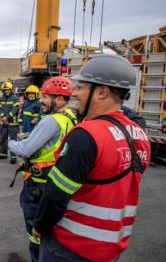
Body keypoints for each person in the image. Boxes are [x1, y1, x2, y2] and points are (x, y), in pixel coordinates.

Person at [32, 55, 151, 262]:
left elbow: (55, 195)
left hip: (72, 246)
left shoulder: (86, 135)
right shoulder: (139, 134)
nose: (74, 92)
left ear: (102, 92)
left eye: (81, 87)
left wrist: (40, 226)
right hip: (111, 247)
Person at [8, 76, 77, 262]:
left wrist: (12, 143)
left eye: (45, 96)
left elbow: (25, 149)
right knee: (50, 230)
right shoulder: (70, 117)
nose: (40, 100)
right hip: (54, 181)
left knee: (35, 233)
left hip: (38, 186)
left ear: (60, 99)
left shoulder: (50, 121)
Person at [0, 81, 20, 162]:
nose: (6, 91)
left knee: (13, 140)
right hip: (3, 122)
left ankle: (13, 157)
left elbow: (15, 109)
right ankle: (3, 154)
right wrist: (3, 117)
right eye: (5, 89)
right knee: (3, 138)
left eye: (8, 89)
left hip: (12, 123)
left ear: (11, 90)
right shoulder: (1, 98)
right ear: (3, 90)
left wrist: (7, 118)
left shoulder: (15, 98)